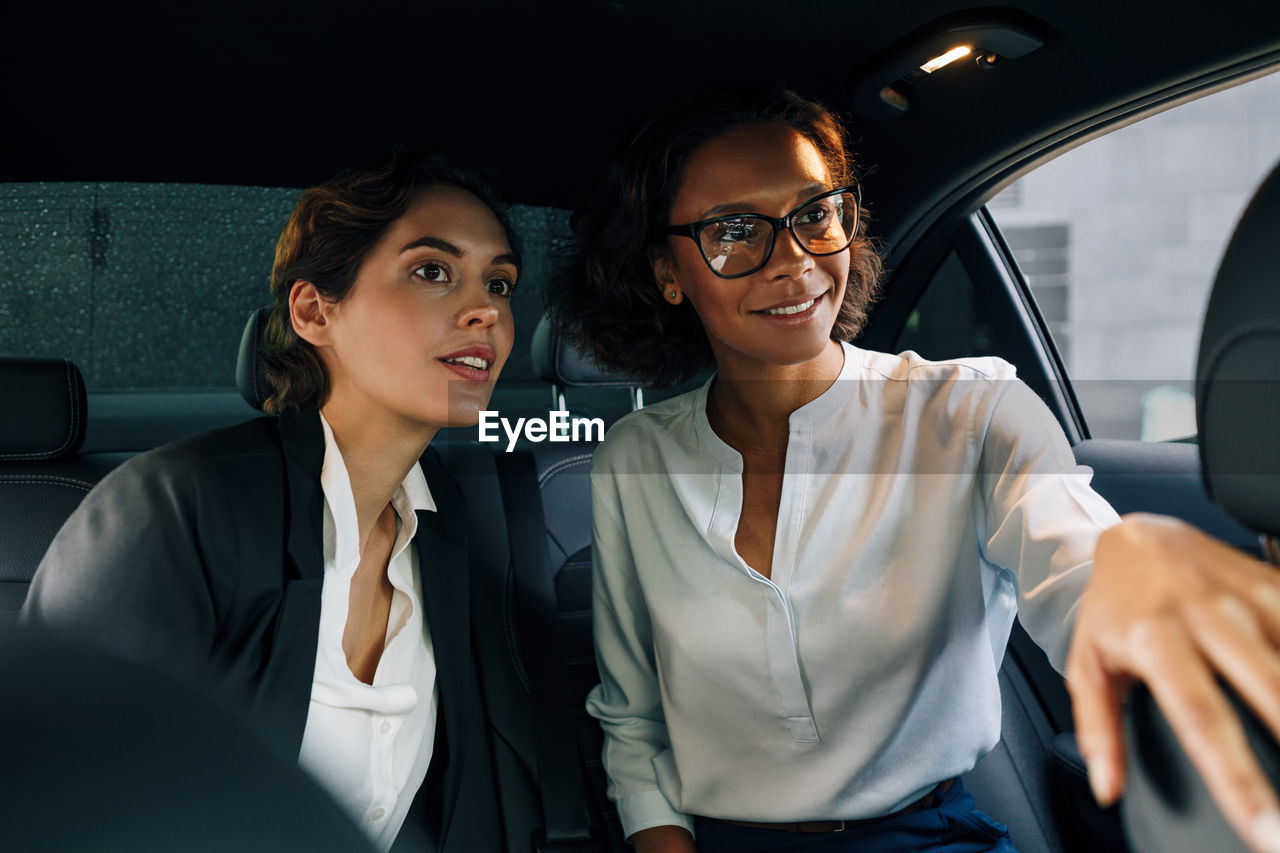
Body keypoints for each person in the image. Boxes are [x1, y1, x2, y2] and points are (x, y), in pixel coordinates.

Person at [550, 86, 1280, 853]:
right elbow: (633, 719)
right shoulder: (635, 460)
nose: (794, 259)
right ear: (668, 272)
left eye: (813, 214)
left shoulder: (971, 413)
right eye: (734, 231)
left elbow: (1079, 562)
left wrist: (1142, 578)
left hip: (932, 839)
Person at [21, 150, 519, 852]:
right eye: (432, 270)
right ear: (315, 311)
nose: (488, 310)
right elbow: (60, 792)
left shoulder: (452, 528)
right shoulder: (177, 507)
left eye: (501, 283)